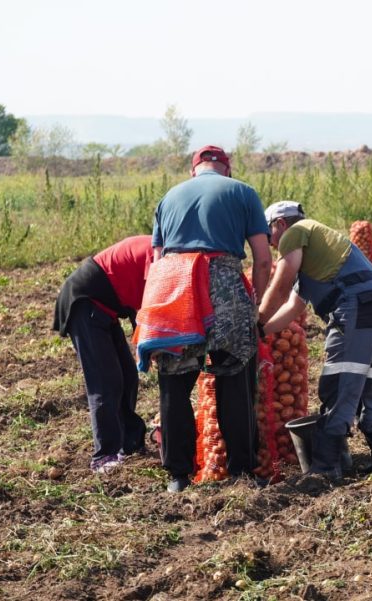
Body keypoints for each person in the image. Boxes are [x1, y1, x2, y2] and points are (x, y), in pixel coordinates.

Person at [144, 145, 272, 493]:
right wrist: (257, 305)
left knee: (174, 385)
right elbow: (262, 259)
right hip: (224, 285)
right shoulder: (242, 192)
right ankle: (242, 472)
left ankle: (178, 476)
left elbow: (156, 262)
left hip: (175, 288)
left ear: (193, 171)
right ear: (226, 170)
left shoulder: (168, 198)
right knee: (235, 380)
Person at [257, 201, 372, 480]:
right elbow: (293, 308)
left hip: (358, 305)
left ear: (281, 224)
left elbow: (281, 285)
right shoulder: (319, 256)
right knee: (366, 383)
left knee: (338, 384)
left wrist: (258, 319)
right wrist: (261, 333)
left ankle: (324, 469)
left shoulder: (295, 233)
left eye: (268, 234)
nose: (272, 245)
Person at [53, 235, 151, 474]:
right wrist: (153, 346)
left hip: (107, 306)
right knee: (106, 382)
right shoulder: (158, 255)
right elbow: (151, 307)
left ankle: (129, 443)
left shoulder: (161, 251)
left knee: (128, 376)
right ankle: (104, 455)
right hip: (85, 302)